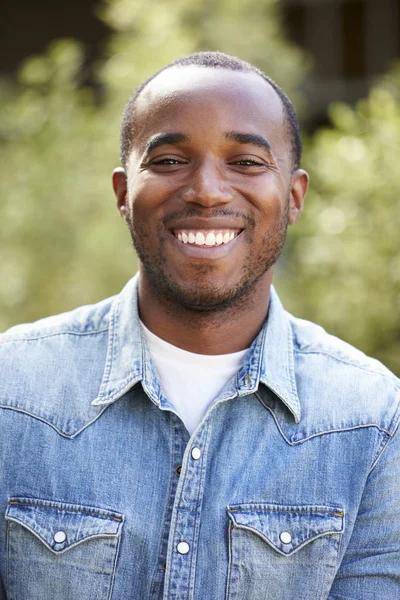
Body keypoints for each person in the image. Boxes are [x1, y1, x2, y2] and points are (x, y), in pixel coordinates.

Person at [0, 51, 399, 600]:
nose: (207, 190)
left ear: (294, 197)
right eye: (168, 161)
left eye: (247, 163)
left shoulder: (374, 422)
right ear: (123, 193)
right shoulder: (13, 390)